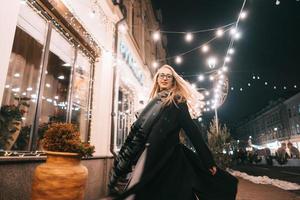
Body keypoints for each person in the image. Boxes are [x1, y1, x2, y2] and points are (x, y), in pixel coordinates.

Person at [107, 65, 238, 200]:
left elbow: (193, 132)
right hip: (150, 158)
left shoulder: (178, 101)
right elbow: (140, 134)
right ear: (157, 79)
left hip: (171, 161)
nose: (164, 78)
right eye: (161, 75)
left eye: (168, 76)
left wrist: (208, 160)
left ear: (173, 80)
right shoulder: (153, 103)